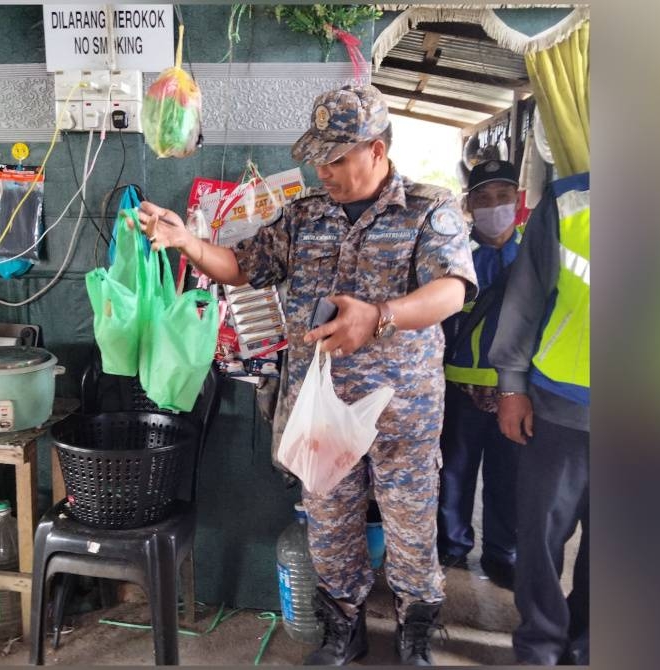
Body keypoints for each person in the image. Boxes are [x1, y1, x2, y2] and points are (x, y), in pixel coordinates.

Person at [136, 85, 478, 666]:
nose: (324, 170)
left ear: (376, 149)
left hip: (401, 410)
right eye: (318, 156)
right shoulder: (305, 214)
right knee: (329, 525)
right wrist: (189, 242)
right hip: (319, 408)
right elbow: (243, 267)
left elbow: (451, 290)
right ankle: (343, 630)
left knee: (411, 528)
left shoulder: (429, 207)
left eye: (338, 158)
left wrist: (380, 317)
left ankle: (415, 632)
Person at [488, 170, 589, 665]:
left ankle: (589, 642)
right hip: (561, 404)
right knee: (542, 533)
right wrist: (511, 385)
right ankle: (541, 643)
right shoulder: (571, 200)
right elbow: (525, 298)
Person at [437, 159, 523, 590]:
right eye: (483, 199)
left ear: (518, 200)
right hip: (459, 388)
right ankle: (452, 545)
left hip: (517, 392)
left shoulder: (535, 256)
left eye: (502, 197)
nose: (494, 207)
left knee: (508, 480)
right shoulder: (452, 254)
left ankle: (501, 554)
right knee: (454, 472)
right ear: (469, 205)